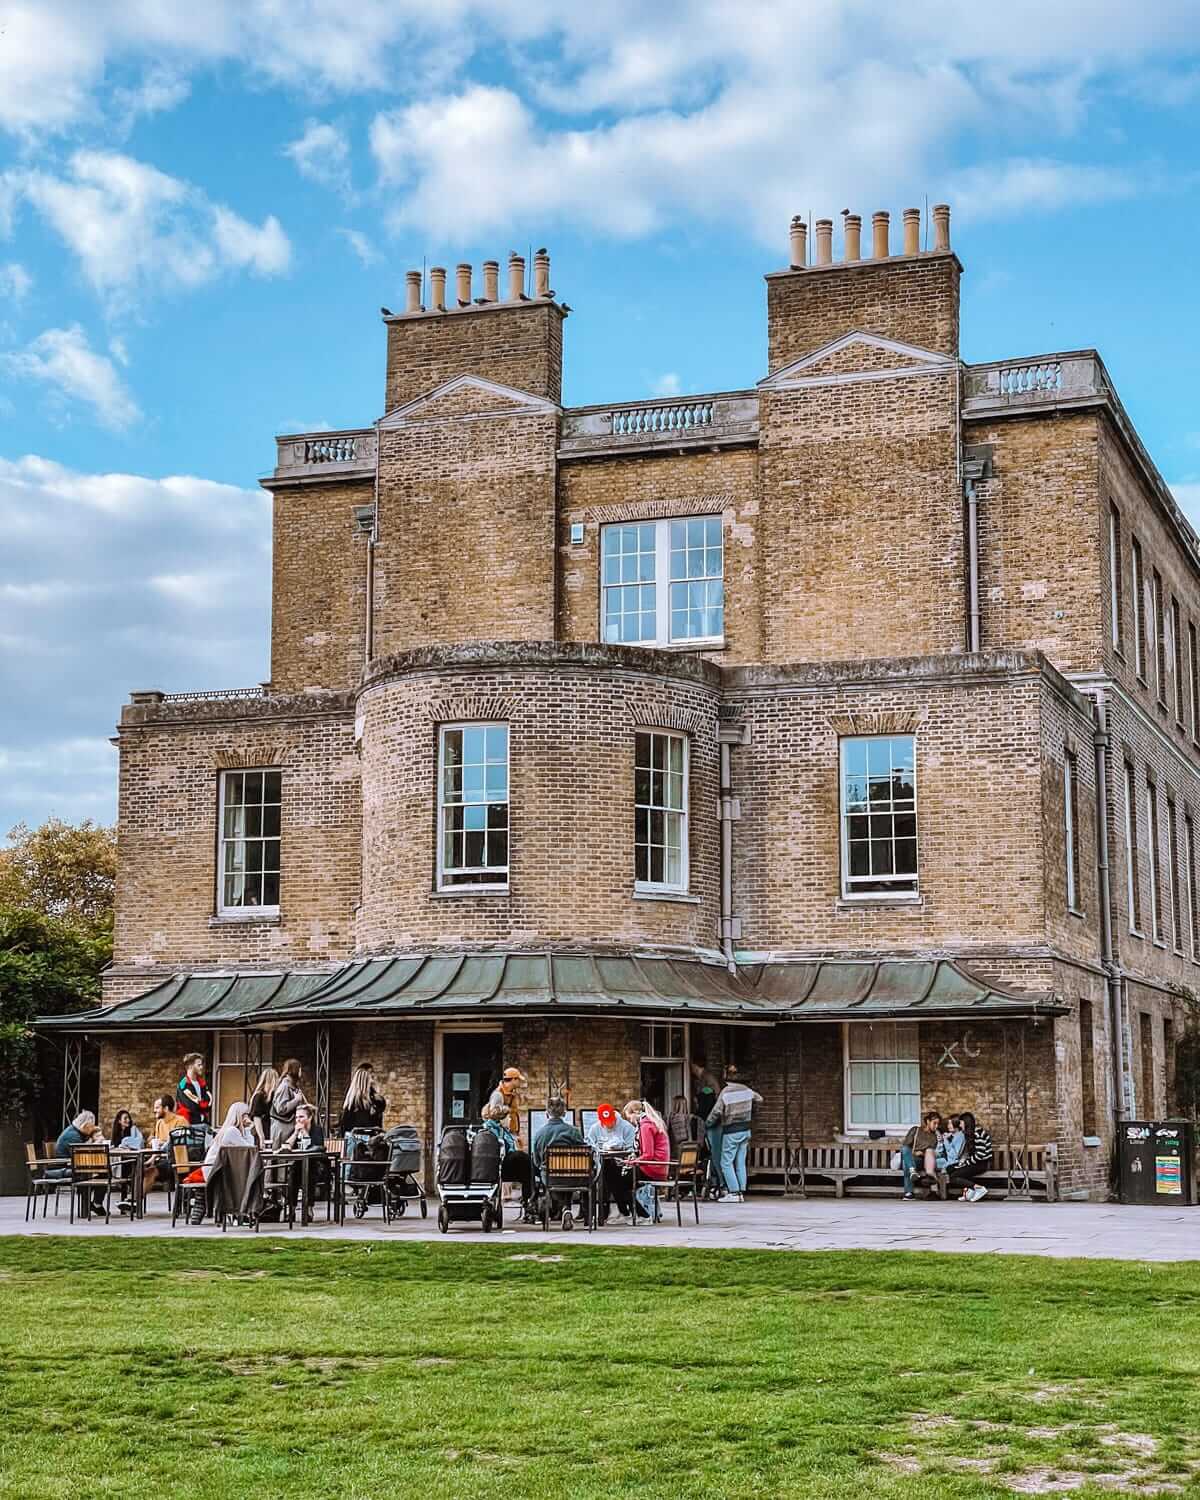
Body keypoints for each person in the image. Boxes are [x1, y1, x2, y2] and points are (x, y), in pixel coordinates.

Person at [183, 1102, 257, 1224]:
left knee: (245, 1175)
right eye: (246, 1115)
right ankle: (242, 1213)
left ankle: (241, 1213)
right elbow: (250, 1148)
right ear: (240, 1116)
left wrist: (247, 1129)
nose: (248, 1118)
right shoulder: (232, 1131)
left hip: (218, 1169)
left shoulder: (232, 1131)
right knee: (247, 1177)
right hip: (215, 1171)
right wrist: (249, 1129)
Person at [708, 1065, 762, 1203]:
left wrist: (708, 1123)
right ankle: (741, 1191)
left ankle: (734, 1192)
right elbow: (760, 1099)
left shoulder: (726, 1092)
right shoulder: (747, 1090)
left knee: (725, 1163)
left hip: (731, 1131)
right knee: (740, 1162)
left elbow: (716, 1112)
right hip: (746, 1130)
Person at [532, 1097, 587, 1219]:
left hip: (550, 1178)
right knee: (569, 1174)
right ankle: (568, 1209)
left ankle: (562, 1209)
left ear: (547, 1114)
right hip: (574, 1177)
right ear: (564, 1113)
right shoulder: (573, 1131)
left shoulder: (539, 1134)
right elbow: (584, 1155)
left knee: (550, 1174)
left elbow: (536, 1162)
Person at [480, 1100, 534, 1218]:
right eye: (508, 1117)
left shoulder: (501, 1130)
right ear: (501, 1119)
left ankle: (528, 1200)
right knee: (524, 1160)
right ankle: (528, 1201)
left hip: (503, 1165)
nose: (510, 1120)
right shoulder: (491, 1131)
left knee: (526, 1163)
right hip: (497, 1166)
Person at [586, 1102, 637, 1223]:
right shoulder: (595, 1129)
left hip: (623, 1165)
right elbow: (590, 1146)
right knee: (606, 1172)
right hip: (601, 1166)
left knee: (609, 1175)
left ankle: (604, 1213)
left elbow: (632, 1149)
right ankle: (619, 1210)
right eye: (605, 1122)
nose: (609, 1124)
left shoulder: (626, 1127)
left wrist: (619, 1149)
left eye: (611, 1121)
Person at [53, 1110, 107, 1214]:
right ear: (84, 1125)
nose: (92, 1129)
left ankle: (95, 1204)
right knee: (102, 1173)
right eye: (90, 1127)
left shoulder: (77, 1132)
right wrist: (96, 1142)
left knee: (103, 1172)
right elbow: (82, 1154)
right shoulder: (72, 1135)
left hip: (72, 1165)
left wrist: (94, 1136)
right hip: (64, 1168)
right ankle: (94, 1204)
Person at [624, 1100, 670, 1219]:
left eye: (629, 1117)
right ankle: (632, 1212)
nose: (630, 1121)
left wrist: (631, 1162)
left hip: (652, 1168)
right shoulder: (654, 1122)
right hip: (660, 1167)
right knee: (621, 1180)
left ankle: (642, 1215)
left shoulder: (645, 1126)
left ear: (634, 1113)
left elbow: (648, 1155)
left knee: (619, 1181)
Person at [281, 1103, 329, 1217]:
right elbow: (287, 1145)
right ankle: (291, 1209)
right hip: (298, 1164)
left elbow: (316, 1148)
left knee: (309, 1174)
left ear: (310, 1117)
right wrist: (296, 1133)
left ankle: (308, 1208)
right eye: (297, 1117)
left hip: (316, 1164)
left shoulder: (317, 1130)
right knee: (293, 1174)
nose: (298, 1119)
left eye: (301, 1117)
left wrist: (305, 1133)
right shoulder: (295, 1129)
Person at [141, 1094, 186, 1196]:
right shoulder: (159, 1123)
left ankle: (135, 1202)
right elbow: (157, 1147)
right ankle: (132, 1202)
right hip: (163, 1160)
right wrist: (151, 1160)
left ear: (165, 1108)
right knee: (139, 1169)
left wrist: (164, 1143)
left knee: (151, 1171)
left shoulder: (180, 1121)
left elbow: (181, 1146)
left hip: (177, 1161)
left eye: (157, 1107)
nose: (154, 1110)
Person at [690, 1057, 723, 1195]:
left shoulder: (708, 1079)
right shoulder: (703, 1079)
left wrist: (709, 1119)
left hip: (712, 1122)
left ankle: (718, 1183)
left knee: (715, 1154)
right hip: (709, 1122)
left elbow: (716, 1099)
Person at [948, 1112, 994, 1201]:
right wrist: (962, 1162)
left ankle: (978, 1188)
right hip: (974, 1162)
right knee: (950, 1168)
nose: (960, 1125)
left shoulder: (978, 1133)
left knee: (954, 1177)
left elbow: (980, 1155)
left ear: (966, 1122)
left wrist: (965, 1163)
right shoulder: (969, 1134)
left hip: (982, 1163)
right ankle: (970, 1191)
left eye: (961, 1123)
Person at [900, 1111, 943, 1199]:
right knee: (905, 1151)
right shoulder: (915, 1130)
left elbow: (931, 1153)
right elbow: (906, 1145)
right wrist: (914, 1152)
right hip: (909, 1156)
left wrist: (921, 1153)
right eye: (934, 1123)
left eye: (938, 1124)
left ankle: (909, 1192)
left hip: (921, 1160)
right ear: (928, 1121)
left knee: (906, 1164)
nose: (936, 1126)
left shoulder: (935, 1137)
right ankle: (912, 1172)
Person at [338, 1063, 387, 1134]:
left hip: (363, 1139)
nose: (373, 1077)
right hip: (363, 1139)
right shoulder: (353, 1103)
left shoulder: (350, 1102)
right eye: (371, 1074)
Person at [269, 1058, 306, 1146]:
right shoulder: (284, 1086)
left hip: (289, 1129)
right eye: (299, 1068)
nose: (301, 1072)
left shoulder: (293, 1086)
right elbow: (281, 1108)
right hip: (282, 1130)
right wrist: (296, 1100)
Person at [487, 1067, 527, 1138]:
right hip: (503, 1136)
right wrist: (505, 1110)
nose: (519, 1082)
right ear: (513, 1079)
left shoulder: (512, 1093)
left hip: (511, 1134)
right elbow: (493, 1117)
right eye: (518, 1079)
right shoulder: (498, 1094)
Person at [175, 1053, 212, 1127]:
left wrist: (200, 1103)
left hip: (203, 1124)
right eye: (199, 1065)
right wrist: (202, 1104)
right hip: (188, 1125)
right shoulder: (183, 1085)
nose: (202, 1067)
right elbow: (192, 1106)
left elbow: (209, 1103)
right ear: (190, 1066)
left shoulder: (202, 1083)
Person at [248, 1067, 280, 1148]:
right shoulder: (259, 1096)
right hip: (263, 1131)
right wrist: (261, 1137)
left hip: (269, 1130)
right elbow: (256, 1117)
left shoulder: (271, 1096)